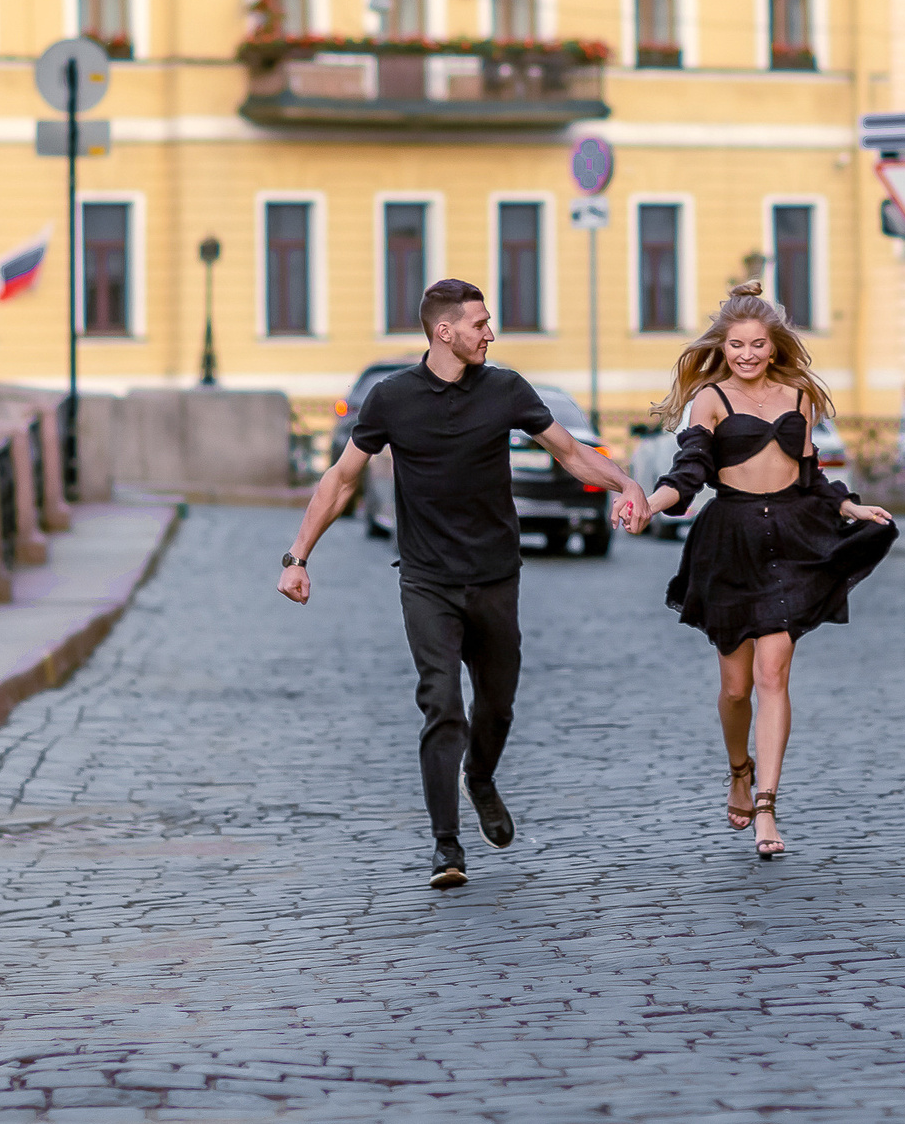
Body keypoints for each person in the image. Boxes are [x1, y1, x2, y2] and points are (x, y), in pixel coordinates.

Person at [278, 278, 648, 889]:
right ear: (444, 331)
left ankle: (480, 776)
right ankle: (446, 846)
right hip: (426, 580)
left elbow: (569, 452)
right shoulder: (391, 398)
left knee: (496, 706)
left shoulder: (505, 388)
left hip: (496, 577)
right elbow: (341, 481)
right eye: (480, 324)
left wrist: (625, 484)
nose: (490, 333)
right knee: (442, 703)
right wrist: (297, 556)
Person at [628, 282, 896, 860]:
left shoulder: (799, 395)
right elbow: (690, 471)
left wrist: (849, 506)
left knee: (775, 675)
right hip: (730, 542)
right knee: (735, 687)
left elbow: (812, 477)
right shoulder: (710, 399)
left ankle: (768, 809)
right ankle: (739, 771)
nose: (746, 355)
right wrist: (651, 504)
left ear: (773, 346)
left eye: (756, 344)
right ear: (722, 348)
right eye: (735, 346)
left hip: (792, 538)